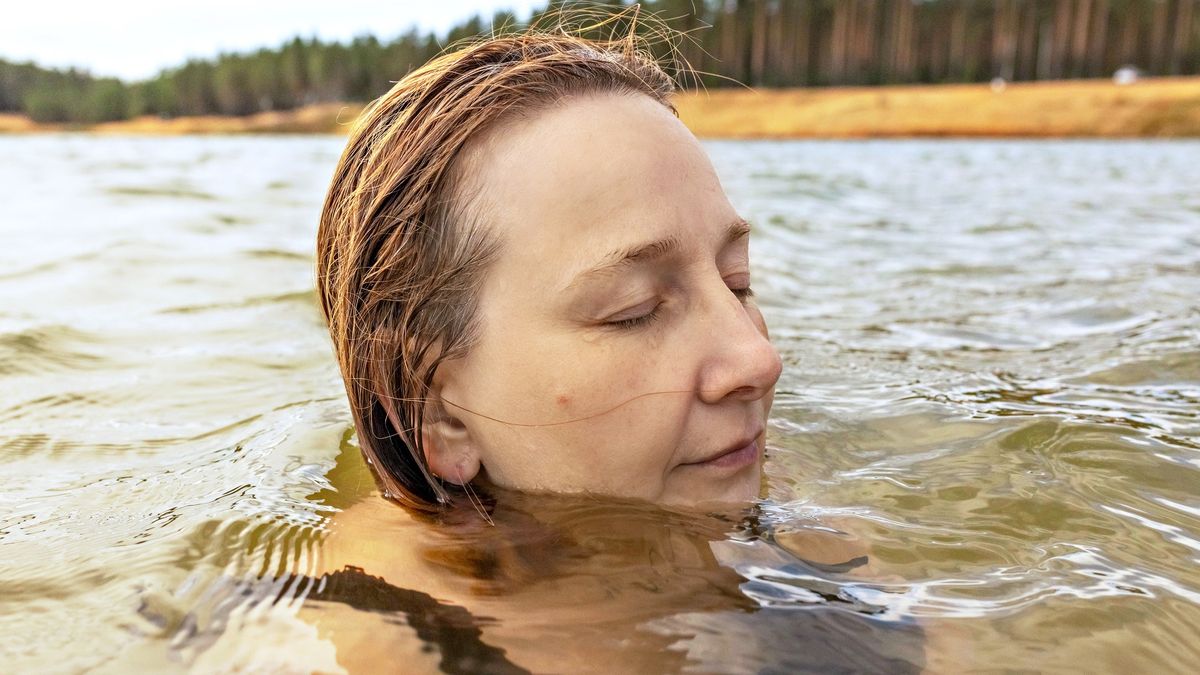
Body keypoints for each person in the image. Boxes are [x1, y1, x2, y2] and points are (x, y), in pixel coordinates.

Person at [315, 17, 782, 512]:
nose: (760, 359)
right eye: (635, 310)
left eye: (738, 284)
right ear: (441, 416)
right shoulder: (347, 589)